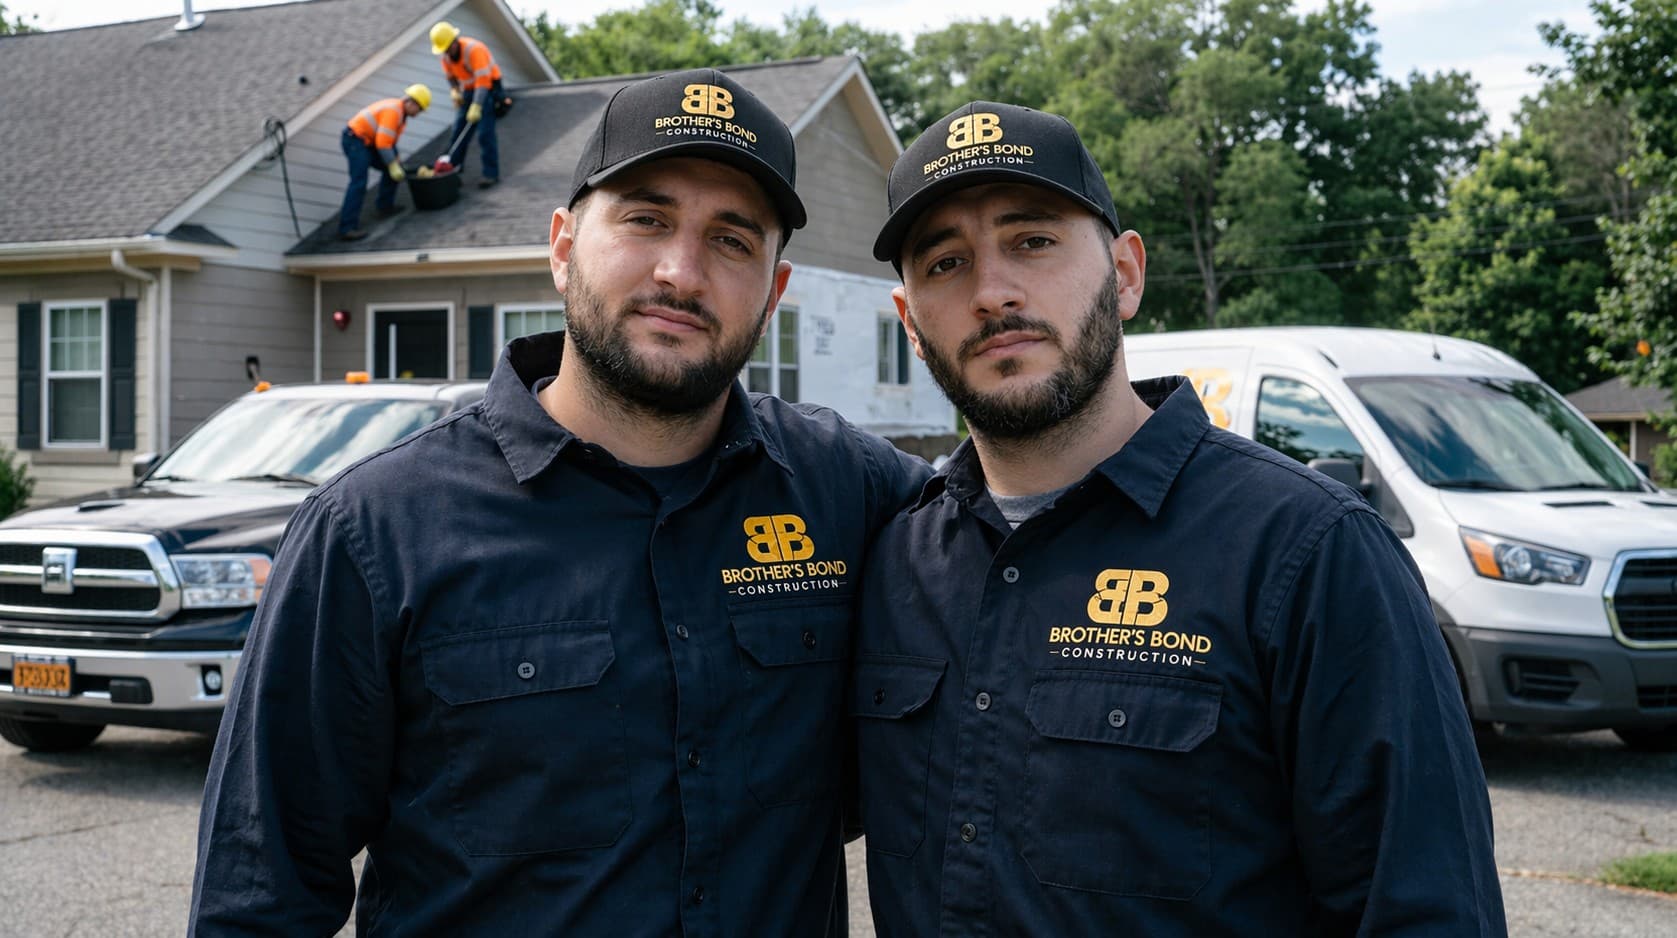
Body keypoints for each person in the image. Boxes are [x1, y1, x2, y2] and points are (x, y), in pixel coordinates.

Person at [189, 69, 929, 935]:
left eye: (731, 240)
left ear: (771, 292)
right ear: (563, 245)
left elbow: (1031, 539)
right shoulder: (373, 532)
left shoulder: (852, 490)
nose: (679, 271)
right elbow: (261, 890)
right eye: (645, 218)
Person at [852, 101, 1507, 936]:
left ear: (1125, 274)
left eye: (1033, 241)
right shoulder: (896, 559)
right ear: (910, 323)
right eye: (945, 263)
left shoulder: (1307, 554)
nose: (992, 292)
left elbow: (1424, 909)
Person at [338, 84, 429, 241]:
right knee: (359, 181)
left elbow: (390, 144)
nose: (418, 113)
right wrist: (393, 165)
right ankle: (347, 228)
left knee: (391, 168)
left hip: (366, 142)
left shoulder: (401, 115)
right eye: (419, 109)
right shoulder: (394, 111)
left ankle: (385, 207)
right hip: (355, 140)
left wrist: (397, 164)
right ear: (411, 103)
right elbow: (382, 143)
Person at [429, 20, 504, 188]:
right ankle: (452, 169)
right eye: (444, 50)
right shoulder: (446, 57)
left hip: (488, 88)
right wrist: (455, 91)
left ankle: (490, 174)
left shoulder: (473, 49)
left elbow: (483, 81)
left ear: (455, 40)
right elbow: (451, 78)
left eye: (449, 47)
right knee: (458, 130)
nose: (447, 52)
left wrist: (477, 105)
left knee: (485, 133)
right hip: (468, 91)